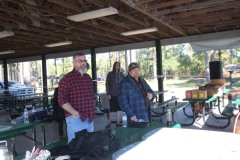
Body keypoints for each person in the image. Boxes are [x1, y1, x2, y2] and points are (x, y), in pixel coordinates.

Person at [58, 53, 95, 143]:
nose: (83, 63)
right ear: (73, 63)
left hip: (89, 118)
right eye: (80, 61)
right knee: (76, 146)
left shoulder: (88, 78)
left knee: (89, 145)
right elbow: (61, 99)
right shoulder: (67, 78)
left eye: (84, 60)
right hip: (76, 118)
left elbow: (91, 96)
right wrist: (74, 113)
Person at [105, 62, 124, 128]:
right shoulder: (110, 74)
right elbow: (107, 84)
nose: (117, 66)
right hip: (112, 94)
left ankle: (118, 122)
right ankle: (109, 122)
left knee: (118, 109)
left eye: (119, 65)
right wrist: (108, 93)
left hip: (120, 94)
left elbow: (123, 83)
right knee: (112, 109)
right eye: (116, 65)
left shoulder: (121, 74)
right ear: (114, 66)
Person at [52, 74, 65, 138]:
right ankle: (61, 135)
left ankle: (62, 135)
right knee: (61, 122)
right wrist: (55, 112)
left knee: (63, 122)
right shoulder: (57, 90)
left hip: (64, 109)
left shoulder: (58, 89)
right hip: (61, 109)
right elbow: (55, 102)